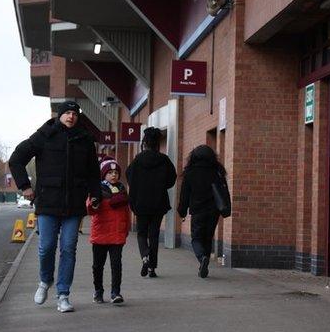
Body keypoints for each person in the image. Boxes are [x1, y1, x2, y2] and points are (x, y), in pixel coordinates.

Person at [9, 101, 101, 313]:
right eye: (67, 113)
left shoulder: (85, 139)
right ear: (60, 115)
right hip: (48, 201)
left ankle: (63, 295)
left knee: (69, 248)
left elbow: (93, 172)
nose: (71, 117)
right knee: (46, 247)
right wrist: (25, 186)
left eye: (74, 114)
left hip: (74, 205)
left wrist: (95, 194)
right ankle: (44, 281)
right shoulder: (44, 135)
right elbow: (16, 159)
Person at [126, 127, 177, 278]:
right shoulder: (164, 160)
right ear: (157, 143)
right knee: (153, 235)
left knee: (141, 233)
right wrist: (160, 186)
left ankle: (145, 256)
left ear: (144, 143)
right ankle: (152, 268)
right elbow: (172, 179)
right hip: (158, 203)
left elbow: (129, 177)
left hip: (140, 203)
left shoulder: (137, 160)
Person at [177, 145, 226, 278]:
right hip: (214, 211)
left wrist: (182, 212)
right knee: (208, 238)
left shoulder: (190, 172)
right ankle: (205, 262)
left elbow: (184, 195)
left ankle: (202, 258)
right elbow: (223, 191)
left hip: (198, 211)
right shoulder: (217, 171)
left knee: (196, 238)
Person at [87, 157, 130, 304]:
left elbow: (126, 213)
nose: (113, 175)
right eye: (110, 172)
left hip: (117, 234)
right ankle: (98, 291)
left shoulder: (122, 191)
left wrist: (126, 229)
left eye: (116, 172)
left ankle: (115, 293)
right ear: (103, 175)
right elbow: (91, 211)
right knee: (98, 265)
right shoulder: (97, 190)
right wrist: (92, 204)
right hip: (100, 234)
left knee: (116, 264)